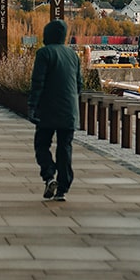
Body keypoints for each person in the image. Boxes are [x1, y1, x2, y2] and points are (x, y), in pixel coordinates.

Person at [28, 19, 81, 201]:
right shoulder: (73, 55)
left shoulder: (44, 53)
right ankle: (63, 188)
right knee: (65, 147)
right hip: (69, 110)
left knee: (42, 144)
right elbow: (78, 84)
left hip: (48, 109)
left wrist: (32, 106)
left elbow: (38, 82)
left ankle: (49, 175)